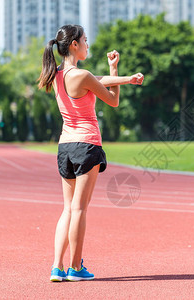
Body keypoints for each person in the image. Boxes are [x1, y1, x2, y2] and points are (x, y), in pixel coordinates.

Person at [37, 24, 144, 282]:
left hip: (65, 147)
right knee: (80, 209)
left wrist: (121, 76)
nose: (88, 44)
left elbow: (98, 80)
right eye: (85, 40)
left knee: (67, 209)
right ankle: (75, 268)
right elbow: (113, 99)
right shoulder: (82, 76)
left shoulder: (58, 75)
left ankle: (56, 267)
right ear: (74, 44)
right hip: (86, 146)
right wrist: (121, 76)